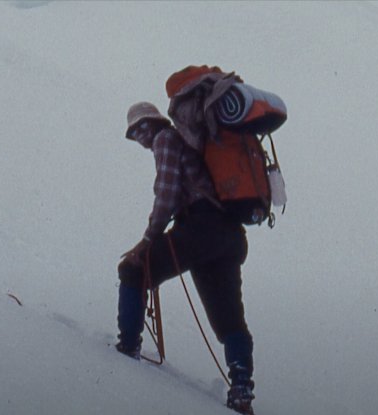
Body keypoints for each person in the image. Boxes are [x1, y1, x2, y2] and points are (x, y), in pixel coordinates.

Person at [116, 101, 256, 415]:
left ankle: (127, 347)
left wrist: (146, 242)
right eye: (133, 133)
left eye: (141, 128)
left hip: (199, 229)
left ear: (154, 122)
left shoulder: (165, 139)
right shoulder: (183, 140)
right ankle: (242, 389)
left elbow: (166, 195)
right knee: (230, 319)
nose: (139, 136)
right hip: (228, 236)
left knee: (133, 270)